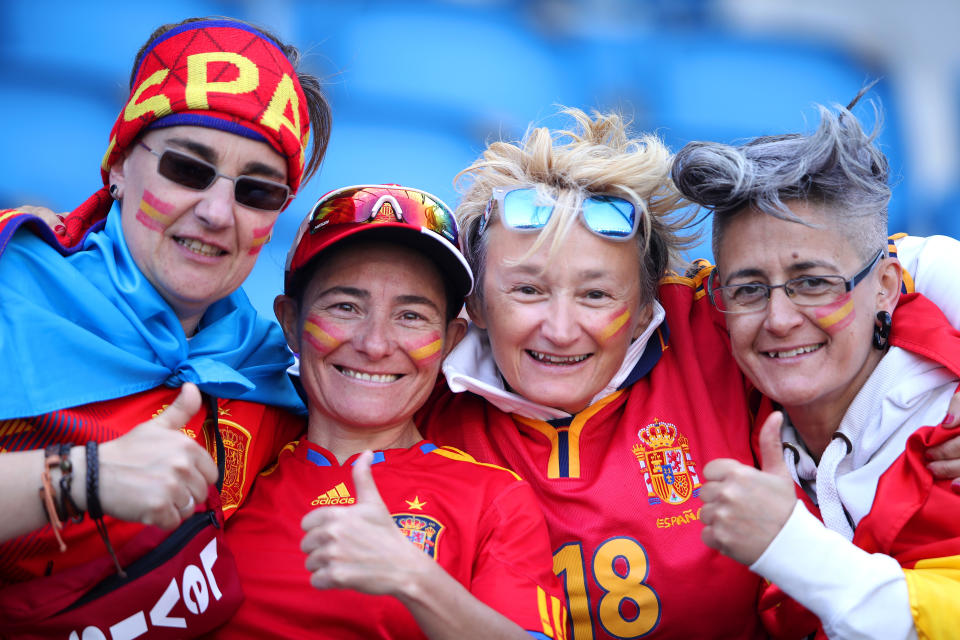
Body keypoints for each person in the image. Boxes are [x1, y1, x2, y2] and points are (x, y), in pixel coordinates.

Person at [416, 106, 960, 640]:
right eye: (528, 290)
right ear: (476, 306)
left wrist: (789, 543)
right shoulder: (420, 383)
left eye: (597, 294)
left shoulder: (706, 326)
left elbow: (890, 262)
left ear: (644, 307)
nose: (560, 329)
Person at [0, 17, 331, 636]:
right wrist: (81, 480)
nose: (214, 212)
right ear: (120, 164)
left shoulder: (271, 373)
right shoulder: (9, 285)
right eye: (186, 168)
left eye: (257, 193)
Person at [212, 184, 568, 639]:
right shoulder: (231, 465)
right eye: (345, 306)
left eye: (411, 316)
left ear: (451, 342)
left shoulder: (494, 499)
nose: (375, 344)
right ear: (290, 323)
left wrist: (414, 580)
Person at [670, 101, 960, 639]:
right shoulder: (713, 342)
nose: (779, 320)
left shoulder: (949, 436)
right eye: (750, 288)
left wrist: (787, 545)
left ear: (887, 288)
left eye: (813, 283)